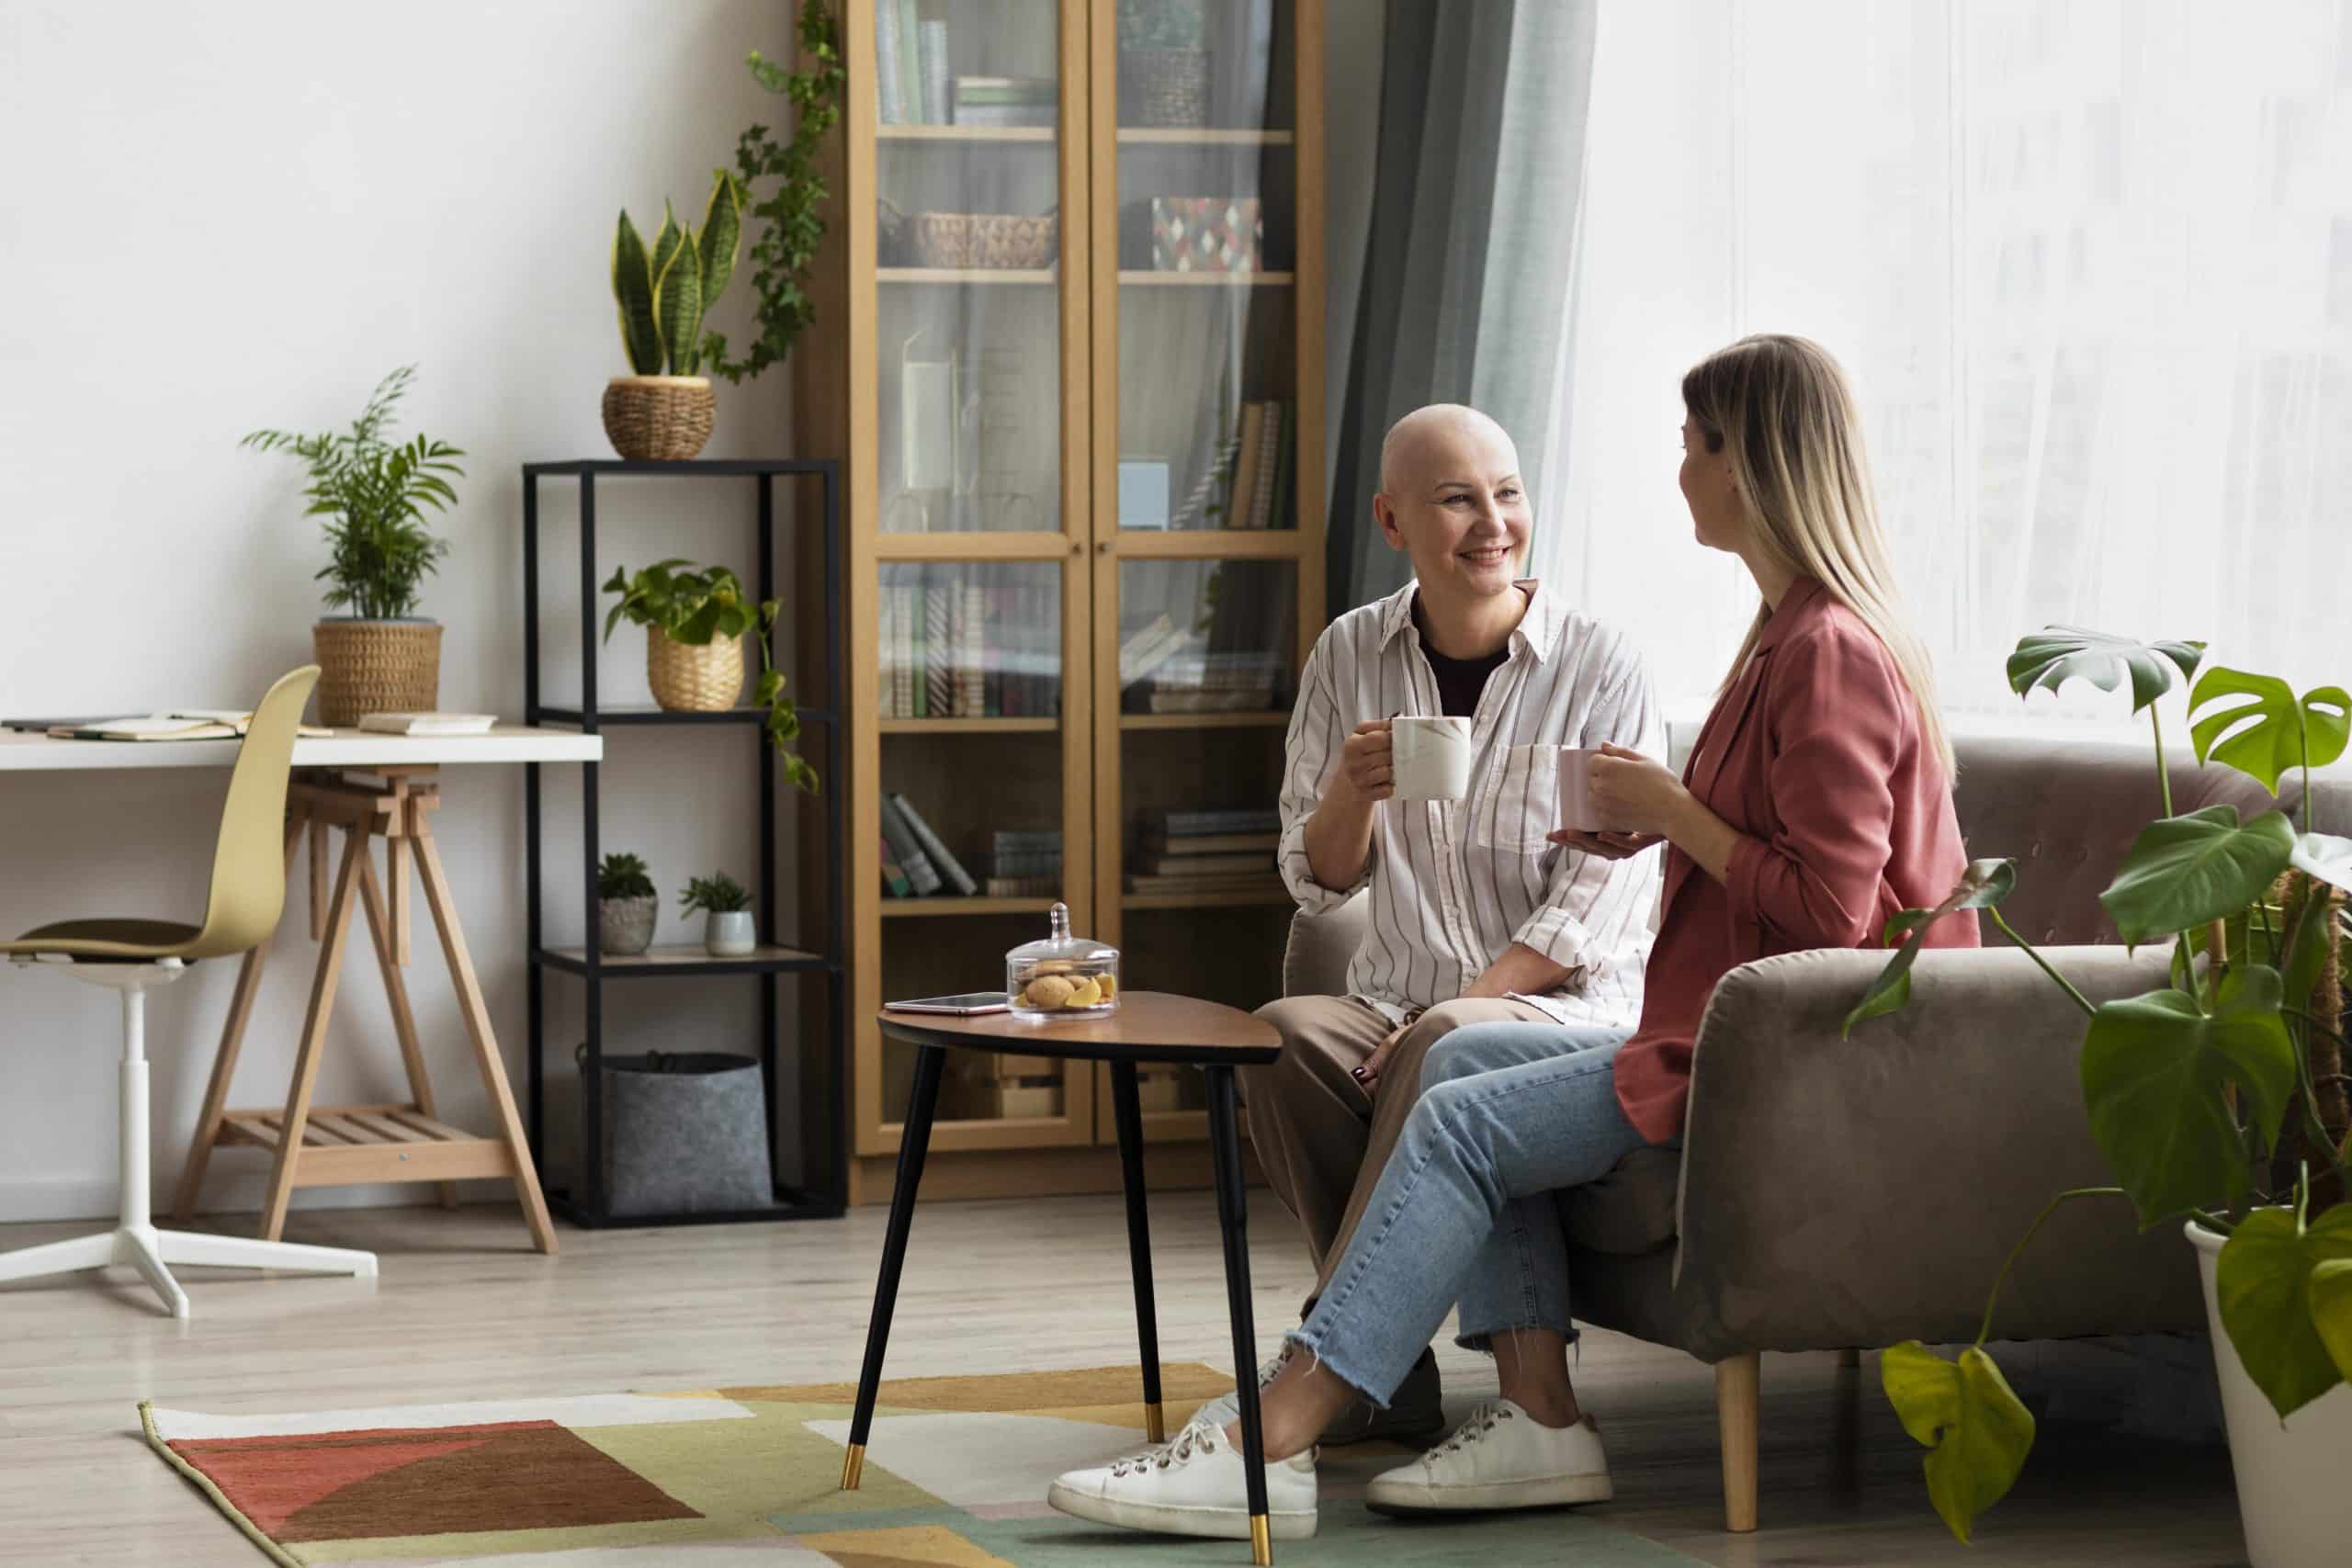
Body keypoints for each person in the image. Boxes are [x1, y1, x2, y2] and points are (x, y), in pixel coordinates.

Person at [1047, 334, 1979, 1542]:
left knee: (1462, 1081)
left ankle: (1271, 1431)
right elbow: (1774, 862)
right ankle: (1540, 1414)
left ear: (1750, 469)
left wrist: (1672, 816)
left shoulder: (1827, 652)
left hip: (1784, 1060)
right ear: (1396, 519)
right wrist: (1652, 827)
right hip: (1718, 1035)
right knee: (1457, 1062)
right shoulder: (1781, 639)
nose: (1678, 469)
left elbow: (1833, 920)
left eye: (1696, 445)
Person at [1230, 403, 1664, 1444]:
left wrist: (1461, 1008)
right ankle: (1388, 1371)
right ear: (1391, 520)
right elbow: (1319, 882)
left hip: (1568, 1014)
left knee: (1450, 1047)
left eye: (1506, 493)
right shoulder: (1349, 653)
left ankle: (1326, 1359)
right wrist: (1351, 793)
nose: (1492, 522)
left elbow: (1602, 905)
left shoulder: (1601, 663)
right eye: (1457, 498)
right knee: (1281, 1038)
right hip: (1396, 1002)